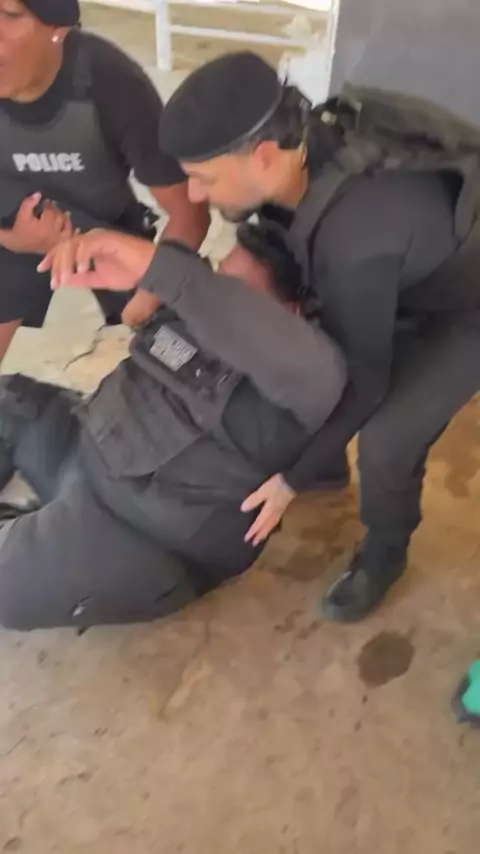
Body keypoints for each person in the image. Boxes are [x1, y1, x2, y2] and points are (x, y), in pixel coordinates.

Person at [149, 50, 480, 622]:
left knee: (387, 434)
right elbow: (284, 235)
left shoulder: (358, 231)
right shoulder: (305, 143)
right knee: (285, 333)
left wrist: (289, 481)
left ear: (263, 156)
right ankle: (325, 463)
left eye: (204, 179)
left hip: (464, 311)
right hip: (405, 274)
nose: (195, 196)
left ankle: (385, 549)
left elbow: (367, 381)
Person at [0, 229, 345, 631]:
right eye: (217, 278)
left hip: (133, 534)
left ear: (290, 315)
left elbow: (316, 369)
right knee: (10, 397)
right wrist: (145, 296)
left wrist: (171, 273)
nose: (209, 295)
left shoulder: (299, 385)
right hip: (83, 443)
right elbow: (143, 316)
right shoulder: (194, 310)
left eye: (234, 294)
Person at [0, 0, 209, 359]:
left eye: (9, 15)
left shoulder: (112, 82)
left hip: (106, 228)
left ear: (57, 28)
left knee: (179, 348)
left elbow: (190, 214)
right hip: (11, 222)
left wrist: (148, 298)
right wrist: (13, 238)